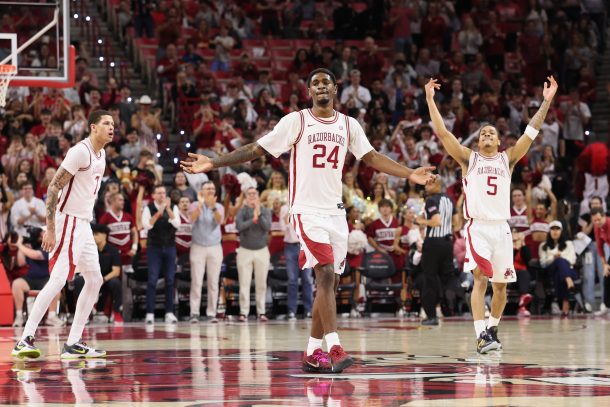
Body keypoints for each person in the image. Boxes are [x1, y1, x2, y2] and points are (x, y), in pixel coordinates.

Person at [181, 67, 435, 373]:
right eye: (315, 83)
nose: (321, 87)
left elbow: (371, 157)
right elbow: (256, 149)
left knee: (330, 282)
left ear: (335, 87)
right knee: (325, 273)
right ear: (309, 92)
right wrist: (214, 162)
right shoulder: (296, 121)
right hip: (306, 210)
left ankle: (313, 351)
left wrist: (409, 173)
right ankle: (335, 347)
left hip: (336, 212)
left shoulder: (348, 125)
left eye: (326, 82)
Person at [424, 75, 558, 353]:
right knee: (480, 279)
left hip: (502, 229)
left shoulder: (507, 158)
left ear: (498, 140)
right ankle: (480, 334)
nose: (486, 134)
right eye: (483, 133)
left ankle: (493, 329)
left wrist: (546, 102)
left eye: (491, 133)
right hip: (478, 227)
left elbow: (530, 133)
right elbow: (443, 134)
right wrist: (429, 100)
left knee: (501, 288)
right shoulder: (468, 158)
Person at [12, 110, 113, 359]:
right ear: (93, 127)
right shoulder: (81, 151)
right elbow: (54, 186)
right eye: (106, 123)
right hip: (67, 220)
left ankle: (74, 342)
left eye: (113, 124)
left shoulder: (103, 154)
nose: (112, 127)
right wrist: (51, 226)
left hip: (83, 224)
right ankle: (25, 339)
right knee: (58, 280)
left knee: (95, 279)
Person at [416, 177, 456, 326]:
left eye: (430, 183)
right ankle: (451, 304)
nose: (426, 185)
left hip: (433, 243)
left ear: (438, 184)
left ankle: (432, 316)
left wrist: (421, 221)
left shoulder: (431, 201)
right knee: (446, 277)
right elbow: (456, 222)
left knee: (429, 279)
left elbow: (436, 221)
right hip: (447, 243)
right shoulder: (449, 200)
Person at [141, 185, 181, 324]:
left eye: (164, 192)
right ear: (153, 195)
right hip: (154, 248)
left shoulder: (173, 207)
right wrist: (159, 212)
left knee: (170, 280)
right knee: (152, 280)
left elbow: (177, 224)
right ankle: (150, 313)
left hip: (170, 247)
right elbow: (147, 225)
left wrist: (168, 208)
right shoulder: (148, 208)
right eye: (159, 193)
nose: (162, 195)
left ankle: (169, 312)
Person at [10, 228, 63, 327]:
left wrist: (19, 245)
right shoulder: (28, 247)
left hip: (45, 279)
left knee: (56, 285)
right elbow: (20, 263)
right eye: (43, 232)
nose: (45, 233)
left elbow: (36, 256)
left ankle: (51, 316)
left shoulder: (49, 246)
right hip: (30, 279)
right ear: (39, 236)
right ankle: (19, 316)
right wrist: (21, 248)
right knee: (17, 284)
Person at [188, 181, 224, 323]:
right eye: (207, 188)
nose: (210, 190)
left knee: (213, 282)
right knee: (196, 281)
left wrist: (213, 207)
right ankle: (194, 313)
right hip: (198, 246)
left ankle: (211, 313)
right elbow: (191, 219)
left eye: (212, 188)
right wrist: (201, 204)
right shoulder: (194, 205)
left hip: (215, 247)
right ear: (201, 191)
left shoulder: (219, 206)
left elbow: (220, 221)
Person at [74, 224, 123, 325]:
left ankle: (117, 312)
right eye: (92, 234)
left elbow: (116, 271)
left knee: (116, 283)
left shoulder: (113, 250)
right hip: (92, 278)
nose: (93, 237)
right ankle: (84, 314)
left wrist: (103, 279)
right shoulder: (89, 250)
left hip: (106, 279)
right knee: (78, 281)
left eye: (96, 234)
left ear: (104, 235)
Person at [235, 187, 272, 322]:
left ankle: (261, 312)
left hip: (261, 250)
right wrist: (253, 219)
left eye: (254, 194)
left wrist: (259, 215)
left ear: (258, 196)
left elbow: (267, 227)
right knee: (244, 283)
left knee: (261, 283)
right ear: (245, 197)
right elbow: (239, 226)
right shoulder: (242, 211)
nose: (252, 196)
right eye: (249, 194)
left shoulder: (265, 210)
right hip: (245, 250)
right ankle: (244, 312)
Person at [98, 192, 138, 268]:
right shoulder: (105, 218)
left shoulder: (128, 216)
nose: (123, 202)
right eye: (120, 200)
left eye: (123, 200)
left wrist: (134, 248)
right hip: (112, 256)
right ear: (113, 201)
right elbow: (100, 237)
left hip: (127, 255)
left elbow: (134, 232)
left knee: (127, 278)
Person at [590, 207, 610, 315]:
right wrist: (605, 264)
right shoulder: (597, 227)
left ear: (604, 216)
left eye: (598, 219)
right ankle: (607, 306)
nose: (597, 222)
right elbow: (599, 247)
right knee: (607, 275)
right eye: (594, 221)